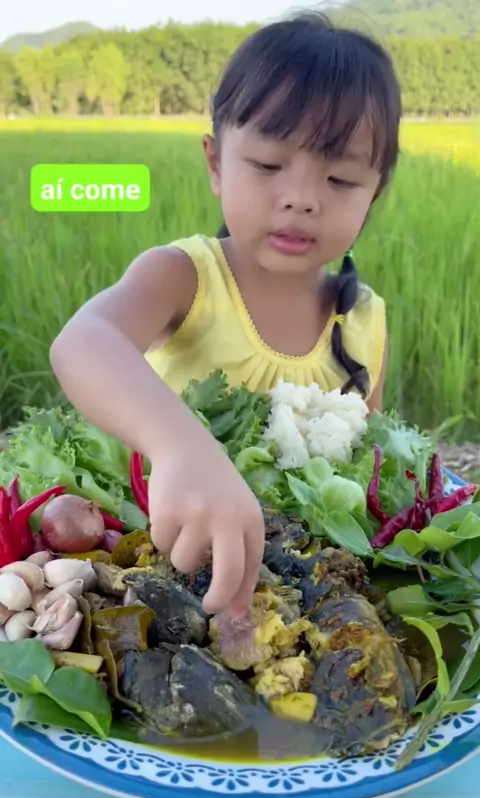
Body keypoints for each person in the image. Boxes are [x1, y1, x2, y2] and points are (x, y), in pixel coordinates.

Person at [50, 11, 402, 619]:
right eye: (267, 165)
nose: (301, 198)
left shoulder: (366, 320)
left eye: (341, 179)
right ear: (215, 164)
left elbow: (364, 476)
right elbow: (82, 341)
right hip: (162, 581)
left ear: (374, 192)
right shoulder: (184, 277)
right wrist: (179, 445)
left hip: (297, 604)